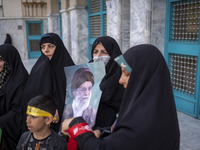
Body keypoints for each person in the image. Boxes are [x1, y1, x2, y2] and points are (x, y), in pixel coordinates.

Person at [62, 44, 180, 150]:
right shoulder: (152, 108)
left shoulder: (146, 121)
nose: (120, 80)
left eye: (127, 74)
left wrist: (76, 124)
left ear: (143, 77)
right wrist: (102, 131)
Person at [21, 33, 75, 133]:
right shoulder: (38, 69)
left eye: (51, 46)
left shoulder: (68, 68)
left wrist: (58, 107)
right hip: (41, 123)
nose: (46, 50)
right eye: (43, 47)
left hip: (63, 122)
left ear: (58, 47)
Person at [90, 36, 125, 128]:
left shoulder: (122, 73)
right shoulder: (88, 72)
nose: (98, 56)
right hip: (90, 126)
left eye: (104, 52)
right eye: (95, 52)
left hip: (114, 127)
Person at [0, 44, 28, 149]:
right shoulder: (3, 77)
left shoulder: (21, 80)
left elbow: (18, 111)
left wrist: (1, 121)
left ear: (9, 60)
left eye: (1, 60)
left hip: (14, 131)